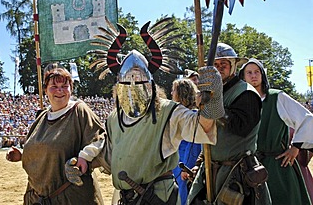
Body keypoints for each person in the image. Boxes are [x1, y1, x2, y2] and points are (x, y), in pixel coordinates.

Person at [90, 18, 224, 205]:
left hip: (158, 198)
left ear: (150, 84)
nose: (134, 85)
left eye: (139, 80)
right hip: (125, 197)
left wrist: (214, 97)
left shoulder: (169, 111)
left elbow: (203, 126)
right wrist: (83, 161)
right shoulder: (115, 118)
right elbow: (109, 154)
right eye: (128, 80)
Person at [6, 63, 105, 205]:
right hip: (37, 198)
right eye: (54, 87)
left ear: (71, 89)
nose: (60, 91)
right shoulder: (42, 118)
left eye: (65, 86)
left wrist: (84, 157)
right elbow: (49, 152)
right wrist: (23, 155)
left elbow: (100, 140)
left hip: (71, 197)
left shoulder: (79, 111)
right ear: (46, 90)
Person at [188, 43, 271, 205]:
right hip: (209, 170)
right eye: (216, 65)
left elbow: (241, 128)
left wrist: (213, 106)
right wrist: (199, 162)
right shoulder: (213, 93)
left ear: (233, 66)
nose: (219, 68)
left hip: (237, 173)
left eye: (223, 65)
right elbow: (208, 133)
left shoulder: (246, 93)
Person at [239, 58, 313, 205]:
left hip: (278, 165)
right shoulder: (241, 101)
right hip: (250, 166)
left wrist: (295, 147)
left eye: (257, 72)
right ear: (243, 76)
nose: (253, 75)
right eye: (249, 73)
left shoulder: (276, 97)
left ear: (262, 75)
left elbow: (307, 119)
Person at [171, 77, 202, 205]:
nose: (171, 93)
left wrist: (186, 167)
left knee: (183, 199)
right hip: (176, 163)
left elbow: (193, 144)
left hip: (184, 164)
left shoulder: (191, 115)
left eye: (174, 90)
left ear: (181, 93)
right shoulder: (178, 113)